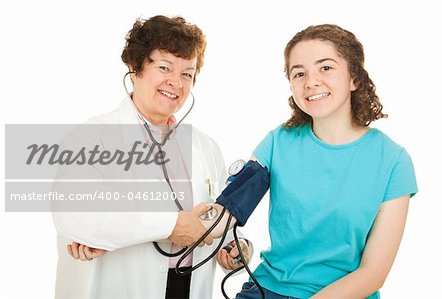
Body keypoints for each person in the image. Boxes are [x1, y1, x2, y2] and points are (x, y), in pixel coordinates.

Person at [52, 15, 251, 299]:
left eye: (187, 73)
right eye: (164, 67)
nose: (176, 82)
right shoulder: (92, 136)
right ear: (135, 68)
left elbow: (216, 213)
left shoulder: (205, 146)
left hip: (188, 287)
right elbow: (75, 213)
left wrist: (235, 244)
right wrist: (170, 227)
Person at [234, 24, 418, 298]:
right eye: (299, 73)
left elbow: (374, 272)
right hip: (267, 289)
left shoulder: (393, 161)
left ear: (354, 78)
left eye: (326, 68)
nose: (311, 82)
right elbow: (233, 204)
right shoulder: (277, 142)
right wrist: (236, 245)